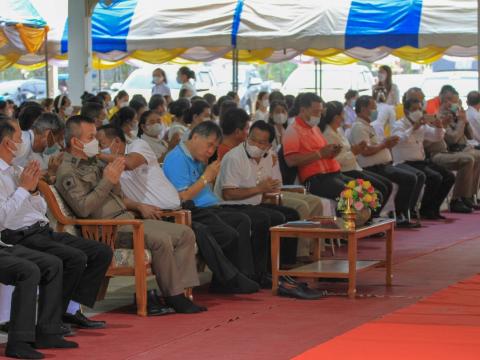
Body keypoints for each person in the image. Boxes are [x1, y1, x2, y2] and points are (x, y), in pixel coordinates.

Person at [55, 115, 204, 314]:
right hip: (106, 229)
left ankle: (184, 292)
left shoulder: (93, 163)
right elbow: (83, 208)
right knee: (160, 239)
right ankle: (174, 296)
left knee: (185, 233)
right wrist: (108, 180)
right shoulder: (67, 171)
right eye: (91, 137)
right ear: (75, 141)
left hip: (126, 219)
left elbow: (118, 197)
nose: (96, 143)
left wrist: (115, 182)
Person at [99, 125, 259, 294]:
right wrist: (138, 205)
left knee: (232, 229)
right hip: (164, 213)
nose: (98, 148)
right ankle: (231, 278)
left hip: (181, 207)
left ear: (116, 142)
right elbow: (118, 198)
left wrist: (97, 155)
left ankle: (235, 277)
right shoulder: (108, 168)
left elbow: (130, 163)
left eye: (100, 144)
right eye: (209, 145)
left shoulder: (138, 146)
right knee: (201, 230)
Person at [0, 119, 112, 328]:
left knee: (101, 252)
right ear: (7, 143)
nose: (22, 143)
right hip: (16, 235)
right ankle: (51, 318)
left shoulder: (17, 170)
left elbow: (40, 210)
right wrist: (24, 189)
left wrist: (32, 192)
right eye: (18, 139)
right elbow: (3, 219)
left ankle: (68, 309)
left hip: (41, 230)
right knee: (74, 258)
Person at [214, 120, 301, 271]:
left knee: (292, 215)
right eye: (252, 139)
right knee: (265, 219)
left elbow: (270, 187)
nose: (255, 144)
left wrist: (268, 189)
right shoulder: (234, 157)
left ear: (268, 146)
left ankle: (283, 265)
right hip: (230, 206)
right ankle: (261, 270)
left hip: (253, 203)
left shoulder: (269, 157)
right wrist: (260, 189)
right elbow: (228, 194)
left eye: (261, 142)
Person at [349, 95, 422, 227]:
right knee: (404, 179)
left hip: (383, 165)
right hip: (371, 167)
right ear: (363, 108)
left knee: (413, 177)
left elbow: (378, 146)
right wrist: (384, 144)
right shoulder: (359, 127)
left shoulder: (369, 126)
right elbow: (365, 152)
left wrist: (387, 144)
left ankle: (402, 213)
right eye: (373, 108)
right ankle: (394, 216)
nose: (376, 110)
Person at [0, 244, 78, 359]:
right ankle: (18, 342)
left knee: (53, 264)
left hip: (3, 246)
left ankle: (47, 332)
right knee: (28, 271)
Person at [321, 101, 392, 215]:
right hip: (345, 170)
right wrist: (354, 152)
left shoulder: (339, 130)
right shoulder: (328, 134)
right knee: (379, 190)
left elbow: (346, 150)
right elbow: (335, 159)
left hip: (354, 167)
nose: (345, 116)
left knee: (386, 185)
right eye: (343, 113)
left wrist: (355, 149)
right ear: (336, 117)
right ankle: (370, 218)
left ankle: (372, 218)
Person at [392, 98, 455, 219]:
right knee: (434, 177)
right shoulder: (399, 124)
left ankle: (432, 208)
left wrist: (439, 127)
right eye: (414, 109)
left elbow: (436, 137)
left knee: (449, 176)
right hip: (404, 162)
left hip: (420, 162)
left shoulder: (423, 125)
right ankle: (424, 209)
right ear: (406, 111)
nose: (418, 112)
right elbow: (399, 140)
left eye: (420, 109)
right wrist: (413, 128)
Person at [283, 93, 347, 201]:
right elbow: (290, 161)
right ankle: (346, 217)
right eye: (316, 112)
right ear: (303, 110)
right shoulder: (292, 130)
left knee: (366, 190)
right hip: (315, 179)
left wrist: (332, 152)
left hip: (333, 172)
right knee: (353, 195)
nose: (319, 116)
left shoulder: (315, 128)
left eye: (320, 112)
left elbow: (323, 152)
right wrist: (320, 154)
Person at [424, 110, 478, 213]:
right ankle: (456, 200)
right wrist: (441, 125)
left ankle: (467, 195)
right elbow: (452, 138)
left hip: (448, 152)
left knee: (474, 158)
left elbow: (470, 136)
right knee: (467, 159)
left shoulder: (450, 119)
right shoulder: (425, 126)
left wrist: (464, 122)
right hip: (435, 154)